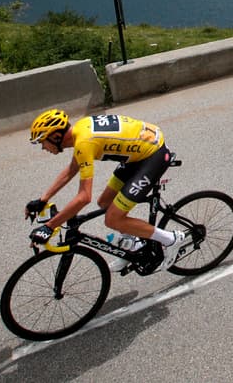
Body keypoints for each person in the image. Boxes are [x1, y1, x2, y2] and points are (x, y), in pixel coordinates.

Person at [25, 109, 191, 272]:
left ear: (55, 136)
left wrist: (49, 226)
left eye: (42, 141)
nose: (43, 147)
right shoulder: (80, 131)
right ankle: (133, 246)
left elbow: (84, 197)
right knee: (104, 202)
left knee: (113, 219)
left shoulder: (84, 142)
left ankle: (171, 239)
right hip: (137, 153)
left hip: (153, 156)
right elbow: (71, 169)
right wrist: (43, 200)